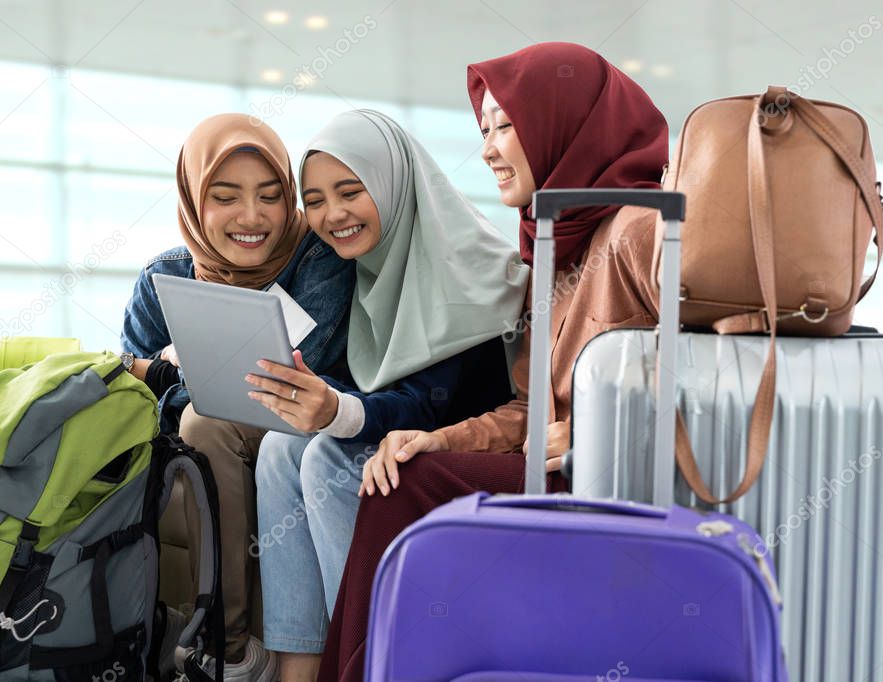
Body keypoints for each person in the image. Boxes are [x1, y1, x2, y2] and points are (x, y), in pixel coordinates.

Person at [315, 42, 670, 682]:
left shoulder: (641, 229)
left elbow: (715, 372)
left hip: (620, 480)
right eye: (485, 129)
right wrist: (438, 438)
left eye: (507, 124)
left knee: (407, 490)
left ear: (567, 122)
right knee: (406, 468)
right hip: (566, 472)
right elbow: (532, 408)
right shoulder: (553, 247)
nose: (488, 147)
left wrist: (603, 433)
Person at [251, 109, 530, 682]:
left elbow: (430, 403)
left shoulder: (467, 268)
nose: (333, 215)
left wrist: (337, 411)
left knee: (329, 453)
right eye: (317, 200)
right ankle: (300, 668)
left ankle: (361, 660)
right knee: (282, 448)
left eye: (351, 191)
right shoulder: (364, 269)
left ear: (393, 184)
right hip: (404, 442)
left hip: (469, 451)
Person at [120, 113, 355, 681]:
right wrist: (168, 381)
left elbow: (291, 382)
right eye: (226, 197)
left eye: (271, 196)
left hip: (318, 426)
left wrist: (173, 370)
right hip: (225, 432)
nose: (252, 218)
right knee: (194, 422)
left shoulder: (317, 259)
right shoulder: (165, 277)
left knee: (206, 422)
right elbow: (129, 390)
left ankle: (230, 649)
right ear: (194, 201)